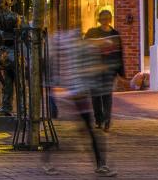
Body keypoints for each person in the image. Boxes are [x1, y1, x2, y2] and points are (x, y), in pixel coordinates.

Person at [43, 28, 116, 177]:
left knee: (84, 130)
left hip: (74, 91)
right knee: (88, 129)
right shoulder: (76, 47)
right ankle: (100, 164)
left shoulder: (72, 46)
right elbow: (97, 45)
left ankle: (47, 160)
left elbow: (97, 45)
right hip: (77, 93)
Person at [84, 9, 125, 131]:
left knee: (101, 95)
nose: (106, 21)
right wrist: (121, 72)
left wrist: (120, 72)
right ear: (100, 20)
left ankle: (103, 120)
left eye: (107, 18)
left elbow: (119, 53)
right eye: (104, 19)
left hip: (105, 70)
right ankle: (102, 120)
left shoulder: (114, 34)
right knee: (101, 95)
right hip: (98, 69)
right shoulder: (93, 33)